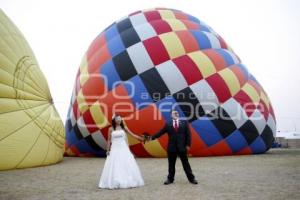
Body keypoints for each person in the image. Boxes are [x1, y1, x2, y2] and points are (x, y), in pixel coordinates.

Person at [146, 109, 198, 185]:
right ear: (171, 115)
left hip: (182, 147)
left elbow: (188, 135)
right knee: (171, 165)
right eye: (174, 113)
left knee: (186, 164)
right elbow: (160, 133)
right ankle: (170, 179)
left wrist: (188, 145)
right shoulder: (168, 124)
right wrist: (151, 138)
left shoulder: (184, 123)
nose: (176, 114)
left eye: (177, 113)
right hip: (171, 148)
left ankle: (192, 179)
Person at [98, 114, 145, 189]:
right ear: (114, 120)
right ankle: (116, 181)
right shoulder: (110, 129)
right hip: (114, 148)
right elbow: (109, 140)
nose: (119, 120)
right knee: (115, 164)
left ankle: (127, 180)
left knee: (125, 163)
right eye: (117, 119)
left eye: (120, 119)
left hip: (123, 148)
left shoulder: (124, 128)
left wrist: (140, 138)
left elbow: (132, 134)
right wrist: (107, 150)